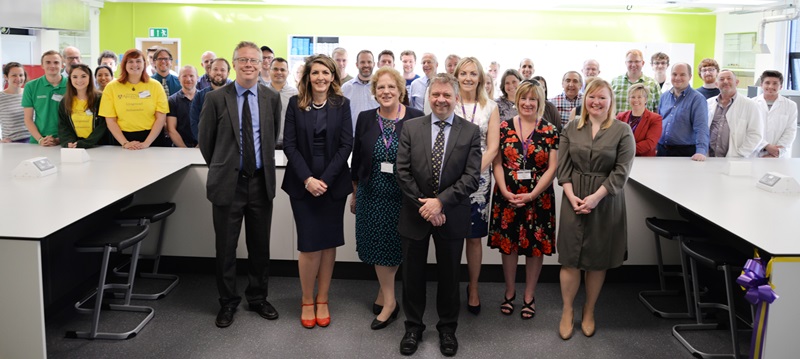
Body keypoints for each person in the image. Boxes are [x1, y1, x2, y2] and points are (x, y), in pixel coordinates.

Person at [395, 73, 482, 357]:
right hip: (415, 213)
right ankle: (413, 327)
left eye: (447, 95)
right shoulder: (410, 127)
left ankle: (447, 329)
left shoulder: (469, 131)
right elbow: (402, 171)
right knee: (412, 275)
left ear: (456, 98)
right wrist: (427, 206)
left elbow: (471, 178)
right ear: (428, 96)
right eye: (436, 94)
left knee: (449, 276)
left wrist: (440, 203)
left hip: (452, 214)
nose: (441, 100)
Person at [199, 41, 282, 328]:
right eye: (242, 60)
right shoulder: (215, 98)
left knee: (260, 246)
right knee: (226, 247)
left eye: (254, 60)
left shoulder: (271, 98)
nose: (248, 64)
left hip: (260, 181)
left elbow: (271, 138)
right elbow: (206, 143)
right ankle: (228, 302)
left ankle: (258, 298)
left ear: (262, 65)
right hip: (228, 184)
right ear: (234, 64)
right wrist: (225, 167)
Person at [556, 78, 635, 340]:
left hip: (605, 202)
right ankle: (567, 311)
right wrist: (573, 196)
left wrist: (595, 198)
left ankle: (589, 310)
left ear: (611, 101)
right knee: (570, 259)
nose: (596, 102)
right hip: (573, 199)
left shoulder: (623, 131)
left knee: (596, 260)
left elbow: (621, 172)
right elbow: (563, 169)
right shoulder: (570, 128)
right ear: (585, 99)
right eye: (592, 96)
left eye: (602, 97)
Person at [282, 54, 353, 329]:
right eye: (315, 73)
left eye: (326, 72)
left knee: (329, 243)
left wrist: (324, 179)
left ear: (333, 76)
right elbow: (289, 145)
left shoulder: (342, 105)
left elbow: (346, 145)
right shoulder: (294, 104)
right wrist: (308, 180)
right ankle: (306, 298)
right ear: (307, 77)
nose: (320, 78)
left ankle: (323, 298)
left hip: (333, 184)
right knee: (310, 245)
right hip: (303, 185)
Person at [351, 67, 424, 330]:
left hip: (403, 196)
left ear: (400, 90)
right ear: (374, 92)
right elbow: (357, 157)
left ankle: (387, 295)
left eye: (391, 87)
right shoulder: (365, 118)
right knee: (379, 246)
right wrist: (355, 192)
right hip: (373, 193)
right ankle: (390, 299)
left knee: (395, 247)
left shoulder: (416, 117)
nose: (386, 92)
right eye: (380, 87)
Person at [488, 80, 558, 320]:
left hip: (539, 199)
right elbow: (496, 161)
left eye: (533, 99)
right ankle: (510, 292)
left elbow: (552, 169)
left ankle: (529, 295)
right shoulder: (504, 127)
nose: (528, 103)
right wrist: (505, 190)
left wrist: (532, 194)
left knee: (534, 248)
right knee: (508, 247)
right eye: (524, 99)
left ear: (540, 102)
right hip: (506, 195)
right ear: (516, 100)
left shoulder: (549, 130)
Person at [453, 57, 500, 316]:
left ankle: (473, 288)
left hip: (479, 181)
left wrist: (471, 172)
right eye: (464, 73)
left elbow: (493, 147)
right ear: (457, 76)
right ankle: (450, 287)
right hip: (449, 177)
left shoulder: (489, 106)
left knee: (473, 238)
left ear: (480, 77)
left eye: (473, 73)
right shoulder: (449, 100)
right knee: (450, 237)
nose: (468, 77)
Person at [99, 49, 169, 149]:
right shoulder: (111, 88)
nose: (135, 64)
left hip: (152, 139)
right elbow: (110, 120)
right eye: (130, 61)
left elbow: (161, 118)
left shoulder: (155, 86)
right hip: (121, 139)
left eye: (138, 61)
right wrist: (125, 143)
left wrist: (146, 143)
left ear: (144, 64)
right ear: (124, 64)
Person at [706, 70, 763, 158]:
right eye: (721, 79)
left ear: (736, 82)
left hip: (735, 158)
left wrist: (740, 154)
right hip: (709, 157)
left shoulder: (750, 105)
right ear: (716, 84)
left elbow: (755, 134)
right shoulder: (708, 103)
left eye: (729, 78)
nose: (725, 81)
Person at [657, 63, 708, 160]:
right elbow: (658, 122)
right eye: (674, 74)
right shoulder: (664, 96)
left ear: (690, 76)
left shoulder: (697, 99)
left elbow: (701, 127)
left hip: (684, 152)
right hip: (661, 150)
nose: (677, 77)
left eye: (682, 74)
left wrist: (701, 151)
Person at [23, 50, 67, 146]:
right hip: (39, 140)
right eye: (48, 62)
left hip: (65, 139)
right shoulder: (31, 86)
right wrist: (40, 139)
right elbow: (28, 118)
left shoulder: (71, 85)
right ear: (42, 65)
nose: (52, 66)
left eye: (56, 62)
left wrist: (60, 139)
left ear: (62, 66)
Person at [57, 64, 107, 148]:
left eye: (83, 76)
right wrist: (68, 142)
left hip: (99, 146)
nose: (79, 80)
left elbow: (103, 126)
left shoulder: (100, 99)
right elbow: (63, 126)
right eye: (75, 77)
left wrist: (87, 143)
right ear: (70, 79)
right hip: (75, 147)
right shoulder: (65, 101)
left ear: (90, 78)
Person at [756, 70, 797, 158]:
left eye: (775, 83)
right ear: (761, 85)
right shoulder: (751, 103)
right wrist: (765, 146)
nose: (771, 86)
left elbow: (790, 131)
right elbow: (749, 130)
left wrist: (777, 152)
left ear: (781, 86)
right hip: (756, 152)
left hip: (779, 155)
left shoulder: (790, 105)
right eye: (767, 83)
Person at [615, 84, 662, 156]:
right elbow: (615, 139)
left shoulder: (655, 119)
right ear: (628, 99)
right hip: (622, 160)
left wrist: (625, 150)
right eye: (633, 97)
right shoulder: (620, 117)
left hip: (644, 160)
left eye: (639, 97)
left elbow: (650, 143)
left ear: (645, 99)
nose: (636, 100)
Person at [191, 58, 231, 141]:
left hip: (229, 145)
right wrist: (202, 142)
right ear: (209, 72)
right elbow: (194, 121)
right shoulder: (200, 95)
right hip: (206, 143)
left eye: (222, 70)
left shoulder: (235, 95)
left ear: (228, 73)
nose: (218, 72)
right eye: (215, 69)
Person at [611, 49, 660, 114]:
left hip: (644, 124)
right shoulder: (615, 82)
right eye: (630, 61)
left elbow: (659, 110)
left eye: (637, 61)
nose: (633, 65)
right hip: (618, 123)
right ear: (626, 63)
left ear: (642, 63)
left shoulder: (653, 84)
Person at [342, 50, 379, 132]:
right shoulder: (346, 88)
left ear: (374, 64)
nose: (366, 65)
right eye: (362, 62)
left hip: (377, 135)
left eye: (369, 62)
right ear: (357, 65)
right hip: (353, 137)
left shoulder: (380, 87)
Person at [268, 57, 299, 148]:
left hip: (289, 144)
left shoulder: (295, 94)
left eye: (282, 70)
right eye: (275, 69)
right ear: (270, 71)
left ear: (288, 73)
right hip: (266, 144)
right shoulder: (261, 92)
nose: (279, 72)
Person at [166, 65, 198, 148]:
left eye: (191, 76)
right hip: (180, 148)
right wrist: (184, 149)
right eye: (184, 76)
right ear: (179, 78)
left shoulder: (205, 98)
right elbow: (171, 129)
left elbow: (210, 126)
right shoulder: (172, 100)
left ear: (197, 77)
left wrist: (201, 145)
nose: (188, 79)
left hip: (203, 148)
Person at [0, 62, 31, 143]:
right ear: (6, 77)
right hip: (12, 143)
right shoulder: (1, 97)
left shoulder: (30, 93)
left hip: (34, 140)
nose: (18, 78)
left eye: (21, 75)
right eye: (14, 75)